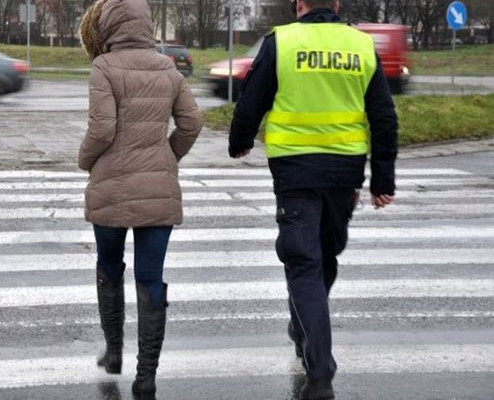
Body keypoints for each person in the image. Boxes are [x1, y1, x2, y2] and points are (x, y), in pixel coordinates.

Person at [228, 0, 398, 399]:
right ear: (337, 4)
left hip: (296, 172)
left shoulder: (282, 42)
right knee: (320, 257)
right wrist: (382, 181)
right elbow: (385, 118)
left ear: (299, 4)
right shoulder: (360, 45)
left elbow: (252, 100)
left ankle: (317, 368)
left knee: (306, 264)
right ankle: (315, 357)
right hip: (344, 174)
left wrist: (239, 143)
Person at [78, 0, 202, 397]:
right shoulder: (167, 68)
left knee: (110, 265)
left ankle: (113, 352)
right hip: (156, 190)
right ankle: (145, 376)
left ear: (109, 25)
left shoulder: (104, 67)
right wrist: (168, 155)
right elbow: (192, 122)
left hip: (111, 186)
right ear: (146, 24)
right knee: (150, 278)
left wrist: (86, 161)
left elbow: (101, 130)